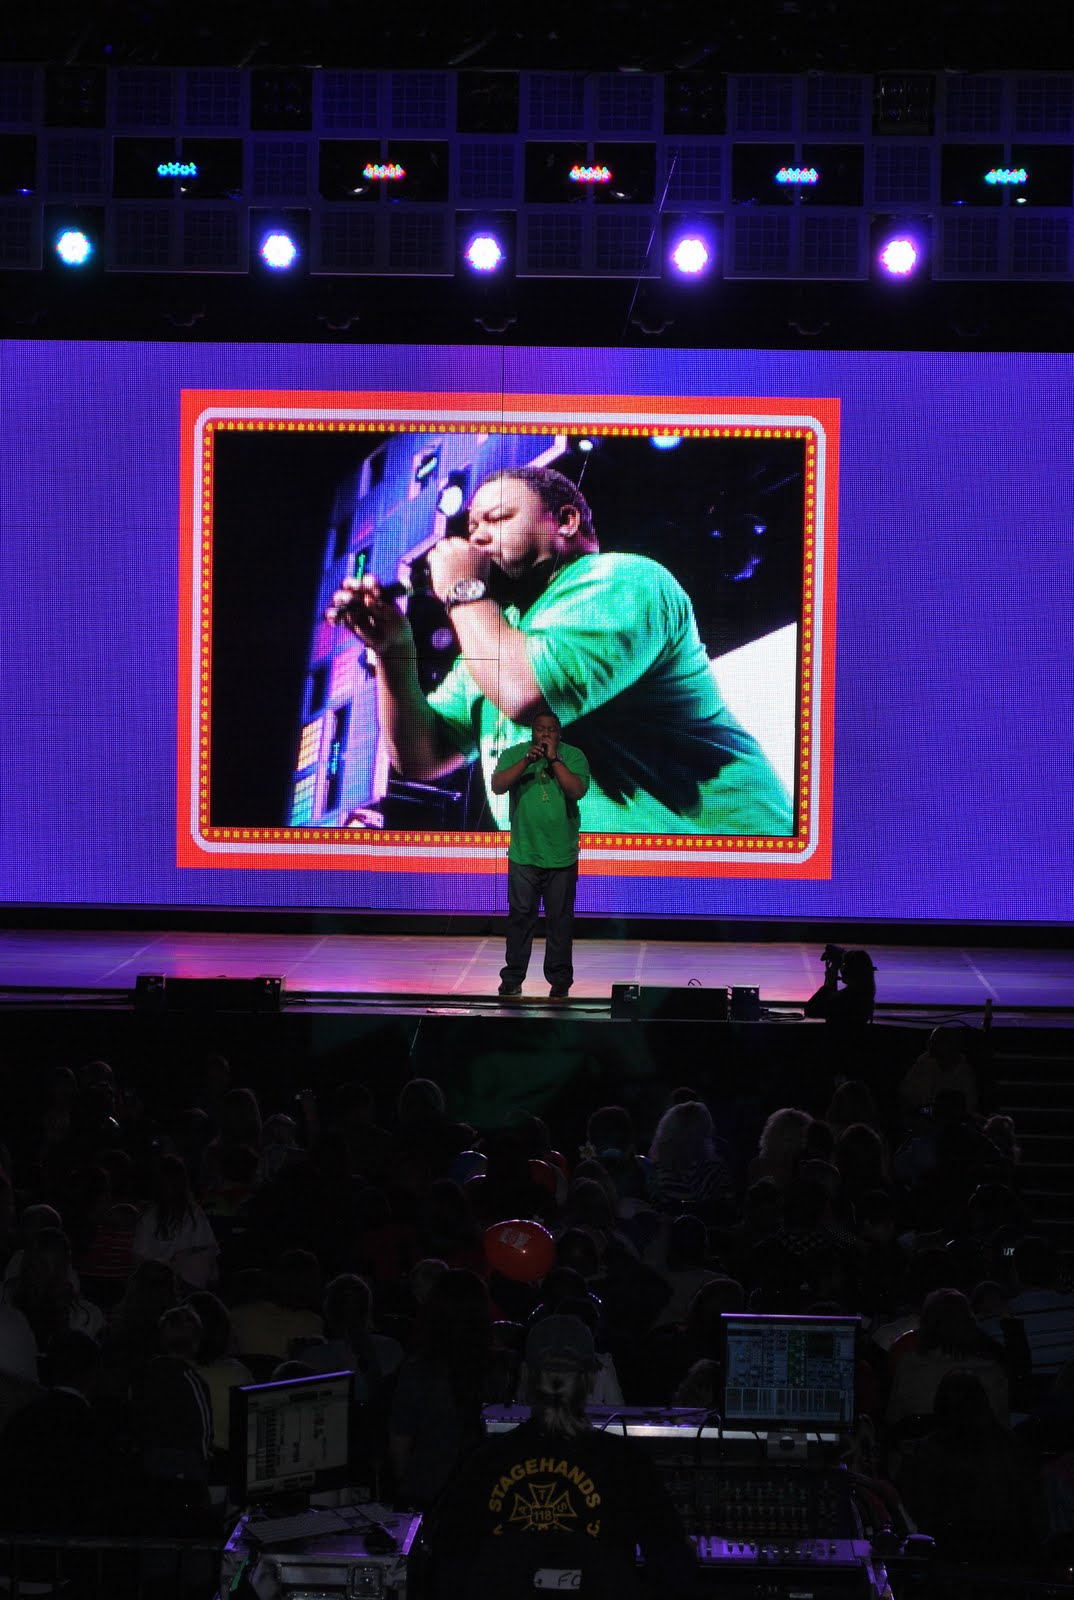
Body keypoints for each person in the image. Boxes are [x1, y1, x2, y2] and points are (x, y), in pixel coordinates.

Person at [327, 464, 792, 838]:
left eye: (498, 518)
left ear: (566, 522)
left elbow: (530, 698)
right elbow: (421, 757)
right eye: (472, 528)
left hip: (725, 866)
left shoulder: (618, 579)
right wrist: (393, 649)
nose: (477, 539)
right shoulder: (500, 636)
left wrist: (462, 590)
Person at [427, 1313, 699, 1598]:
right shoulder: (628, 1463)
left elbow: (448, 1567)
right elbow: (674, 1568)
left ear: (525, 1377)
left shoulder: (484, 1462)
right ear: (591, 1380)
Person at [492, 707, 589, 998]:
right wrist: (526, 762)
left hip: (561, 855)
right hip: (524, 853)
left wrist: (554, 760)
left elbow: (577, 790)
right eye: (540, 730)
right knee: (520, 918)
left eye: (551, 730)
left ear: (559, 734)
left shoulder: (573, 756)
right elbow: (498, 786)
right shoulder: (515, 754)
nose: (545, 734)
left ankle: (559, 981)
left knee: (560, 921)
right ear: (532, 732)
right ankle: (512, 978)